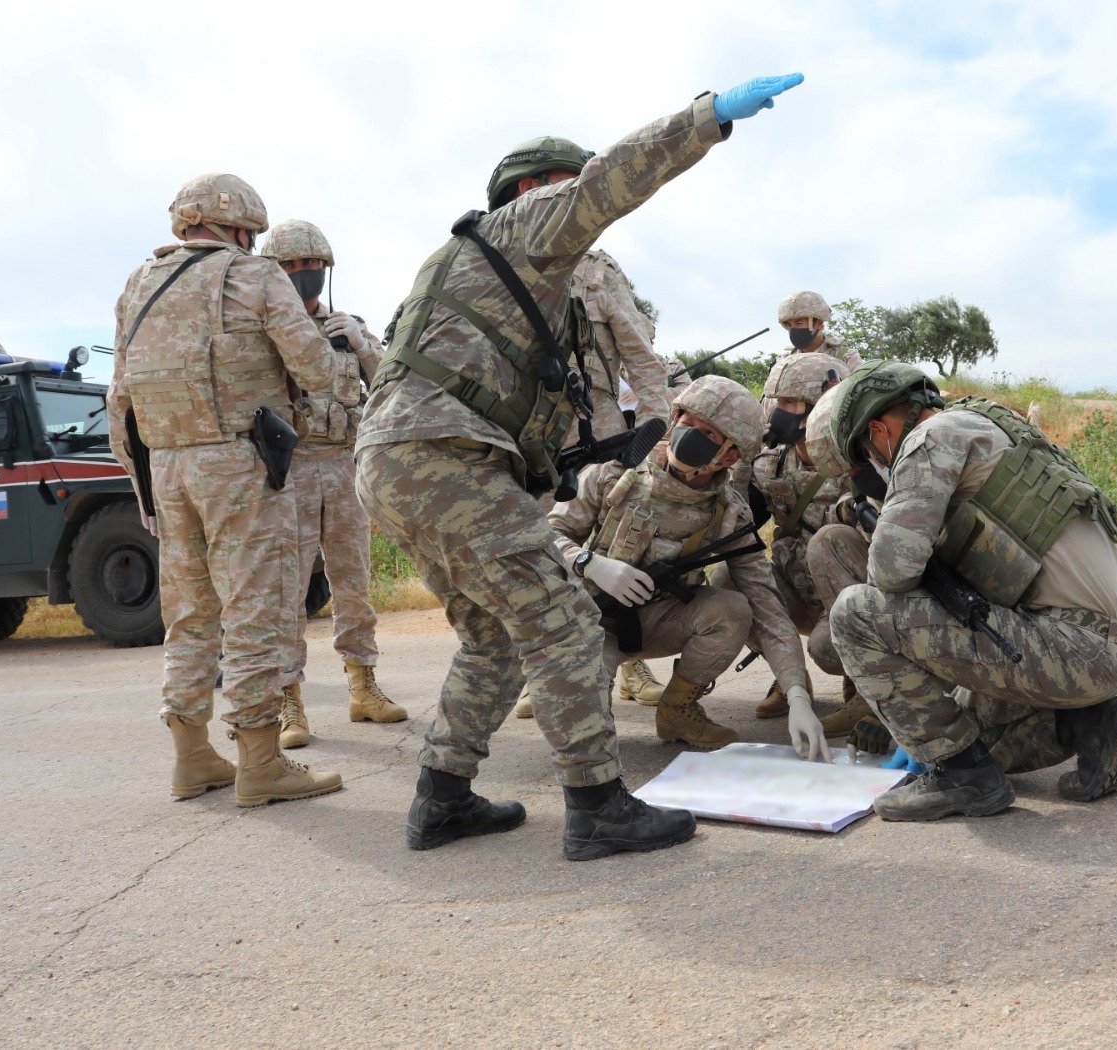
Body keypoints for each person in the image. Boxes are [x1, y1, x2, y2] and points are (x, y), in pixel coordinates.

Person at [354, 74, 805, 860]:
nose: (583, 217)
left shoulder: (479, 270)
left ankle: (443, 798)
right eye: (565, 190)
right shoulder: (525, 226)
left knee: (496, 630)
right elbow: (611, 182)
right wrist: (706, 120)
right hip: (443, 455)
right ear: (530, 190)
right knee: (564, 618)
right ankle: (598, 807)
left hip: (402, 459)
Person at [810, 361, 1117, 820]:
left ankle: (963, 778)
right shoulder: (993, 426)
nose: (875, 462)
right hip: (1105, 650)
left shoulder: (929, 439)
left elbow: (890, 573)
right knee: (979, 739)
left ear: (878, 429)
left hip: (1069, 647)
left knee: (857, 614)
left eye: (869, 451)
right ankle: (1089, 724)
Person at [108, 173, 342, 807]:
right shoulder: (255, 275)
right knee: (255, 609)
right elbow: (317, 369)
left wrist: (143, 486)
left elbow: (119, 398)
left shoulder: (139, 284)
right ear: (241, 225)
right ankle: (260, 762)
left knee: (187, 615)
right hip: (239, 464)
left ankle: (192, 759)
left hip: (166, 467)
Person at [549, 375, 827, 759]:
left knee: (732, 609)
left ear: (730, 457)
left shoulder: (729, 513)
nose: (689, 435)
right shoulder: (613, 474)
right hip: (589, 621)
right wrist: (588, 562)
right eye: (687, 422)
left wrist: (797, 695)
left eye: (709, 434)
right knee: (584, 740)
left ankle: (677, 711)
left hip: (659, 620)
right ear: (674, 416)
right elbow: (546, 538)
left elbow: (767, 605)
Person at [258, 219, 407, 749]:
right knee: (286, 592)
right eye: (292, 267)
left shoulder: (349, 326)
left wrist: (363, 346)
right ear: (274, 272)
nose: (305, 275)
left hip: (344, 467)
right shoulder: (261, 330)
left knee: (354, 583)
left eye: (313, 265)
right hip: (288, 471)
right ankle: (287, 701)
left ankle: (363, 686)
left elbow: (393, 385)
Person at [724, 351, 865, 725]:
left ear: (819, 406)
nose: (777, 412)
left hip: (847, 597)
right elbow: (736, 521)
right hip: (795, 588)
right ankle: (791, 681)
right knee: (726, 582)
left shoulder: (858, 460)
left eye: (788, 403)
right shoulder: (770, 461)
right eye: (774, 402)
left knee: (827, 649)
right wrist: (741, 459)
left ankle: (867, 686)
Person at [569, 248, 674, 707]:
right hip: (532, 443)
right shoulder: (508, 262)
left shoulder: (597, 273)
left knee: (615, 545)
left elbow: (643, 362)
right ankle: (550, 673)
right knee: (544, 551)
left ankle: (631, 666)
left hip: (601, 432)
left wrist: (650, 441)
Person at [775, 291, 861, 370]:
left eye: (799, 323)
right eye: (789, 325)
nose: (793, 329)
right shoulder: (783, 362)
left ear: (819, 323)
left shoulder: (845, 357)